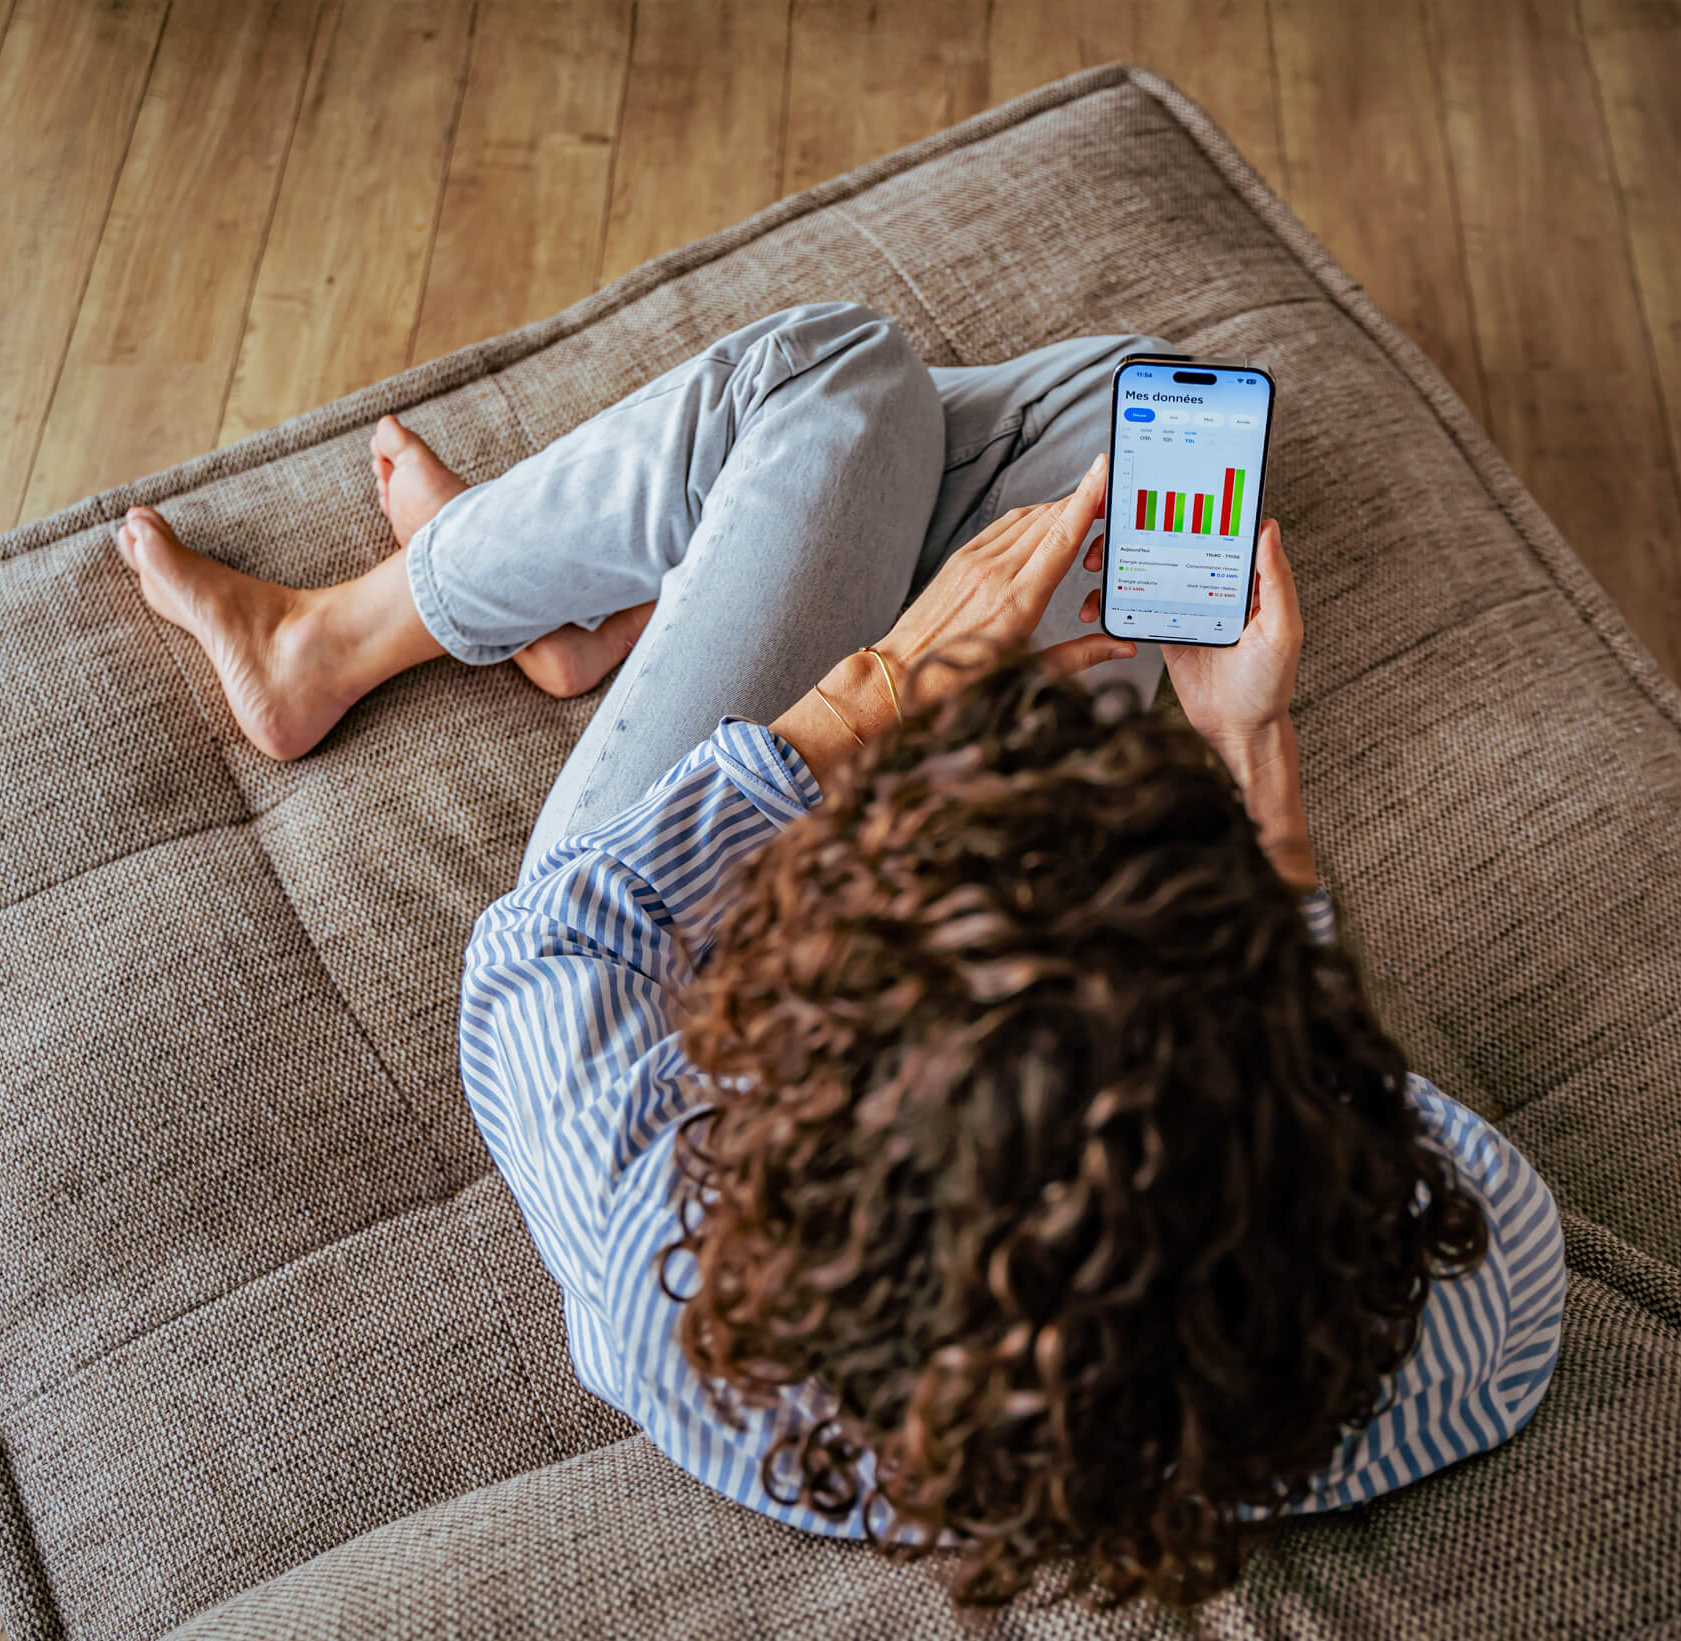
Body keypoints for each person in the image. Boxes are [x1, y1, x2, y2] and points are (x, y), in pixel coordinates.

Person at [113, 304, 1564, 1607]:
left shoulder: (669, 1264)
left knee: (836, 382)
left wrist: (888, 687)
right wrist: (1245, 742)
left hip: (673, 893)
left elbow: (541, 947)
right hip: (977, 1014)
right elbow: (1298, 1067)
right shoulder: (1462, 1324)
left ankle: (331, 643)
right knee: (1125, 424)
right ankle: (620, 598)